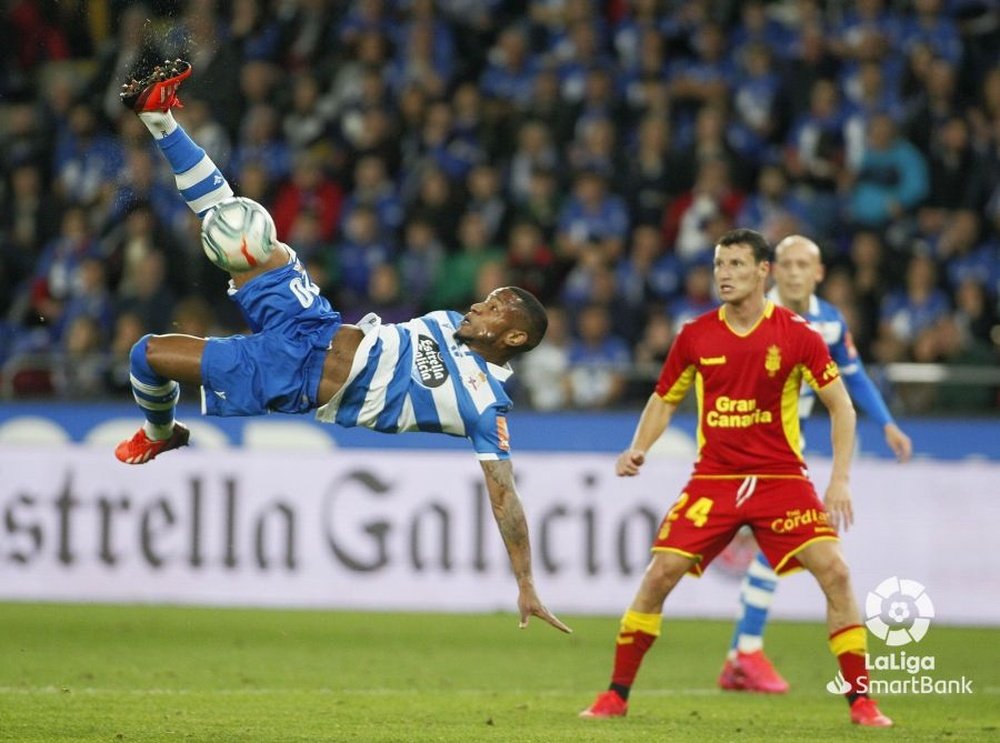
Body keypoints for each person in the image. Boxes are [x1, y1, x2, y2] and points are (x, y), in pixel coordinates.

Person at [113, 59, 571, 636]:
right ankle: (158, 118)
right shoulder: (451, 320)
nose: (480, 304)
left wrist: (526, 581)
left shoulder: (485, 406)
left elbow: (505, 498)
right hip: (314, 323)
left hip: (292, 376)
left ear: (516, 338)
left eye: (496, 306)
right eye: (489, 298)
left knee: (145, 355)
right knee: (241, 225)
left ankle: (159, 434)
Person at [579, 228, 892, 727]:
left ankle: (863, 703)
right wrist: (638, 447)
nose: (724, 275)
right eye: (719, 265)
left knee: (835, 571)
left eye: (737, 266)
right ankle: (616, 694)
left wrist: (839, 480)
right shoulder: (696, 334)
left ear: (762, 272)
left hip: (780, 478)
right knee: (659, 575)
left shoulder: (797, 333)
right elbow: (665, 398)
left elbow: (841, 407)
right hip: (715, 478)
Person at [719, 234, 913, 693]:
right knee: (791, 554)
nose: (792, 272)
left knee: (772, 552)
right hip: (750, 448)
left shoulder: (827, 322)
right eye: (784, 263)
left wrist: (885, 421)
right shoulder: (755, 316)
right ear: (771, 270)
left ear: (819, 272)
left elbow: (853, 375)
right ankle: (743, 655)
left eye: (802, 264)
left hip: (786, 452)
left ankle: (742, 654)